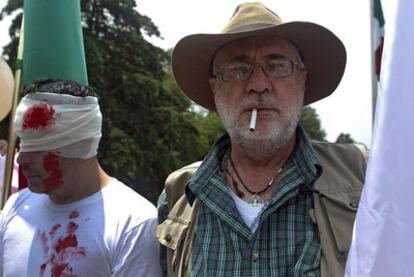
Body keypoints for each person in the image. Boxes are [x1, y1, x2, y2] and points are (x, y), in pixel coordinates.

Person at [157, 2, 367, 277]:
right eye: (237, 69)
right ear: (215, 88)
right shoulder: (178, 197)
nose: (258, 84)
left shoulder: (363, 177)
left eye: (277, 65)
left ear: (302, 80)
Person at [0, 1, 162, 276]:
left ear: (77, 147)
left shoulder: (132, 223)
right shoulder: (16, 206)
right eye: (23, 144)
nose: (22, 158)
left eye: (39, 147)